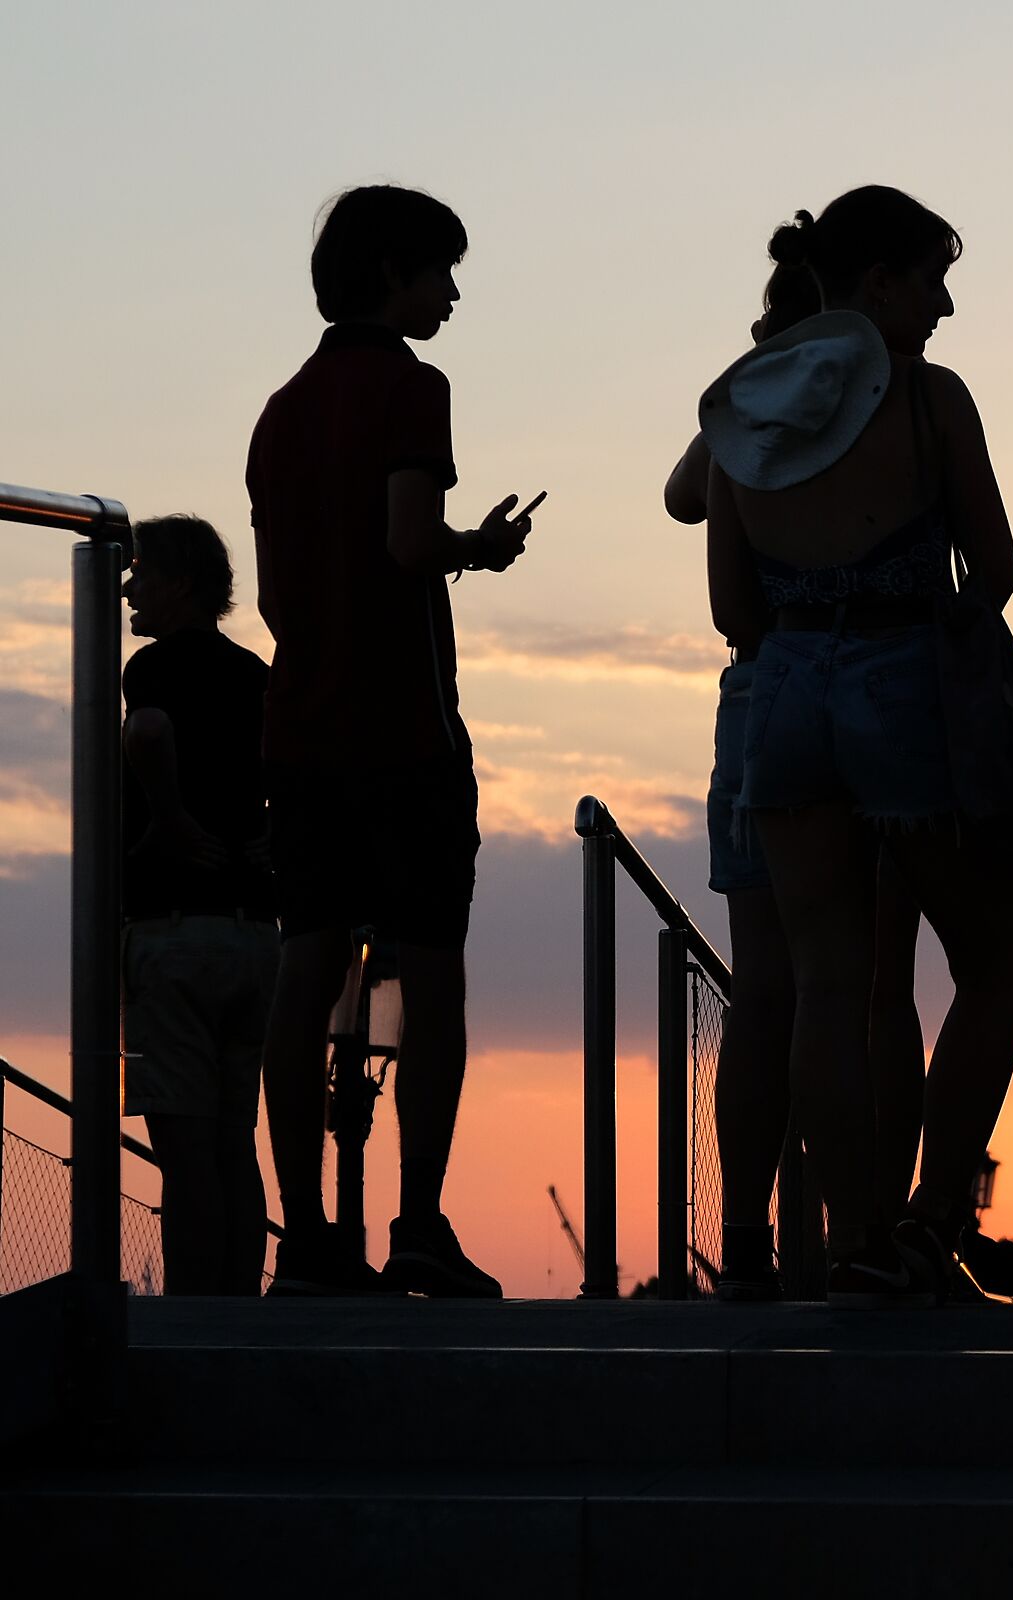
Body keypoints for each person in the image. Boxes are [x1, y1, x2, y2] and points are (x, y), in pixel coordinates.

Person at [703, 185, 1013, 1306]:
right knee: (998, 960)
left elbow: (732, 611)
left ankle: (853, 1244)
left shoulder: (745, 415)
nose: (944, 304)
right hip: (903, 681)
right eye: (932, 279)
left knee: (827, 981)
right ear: (881, 281)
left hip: (787, 690)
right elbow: (992, 574)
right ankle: (933, 1217)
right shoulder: (930, 400)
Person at [247, 184, 539, 1297]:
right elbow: (409, 540)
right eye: (440, 273)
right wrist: (479, 548)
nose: (453, 293)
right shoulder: (415, 389)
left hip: (301, 725)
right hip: (404, 730)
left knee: (306, 963)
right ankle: (418, 1216)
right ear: (391, 274)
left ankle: (309, 1230)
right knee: (431, 975)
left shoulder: (281, 409)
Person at [663, 217, 935, 1300]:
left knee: (771, 992)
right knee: (872, 988)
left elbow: (690, 493)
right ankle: (870, 1232)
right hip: (878, 690)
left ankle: (747, 1240)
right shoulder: (901, 392)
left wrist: (755, 372)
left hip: (765, 694)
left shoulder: (762, 401)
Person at [118, 515, 277, 1296]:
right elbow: (298, 762)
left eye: (141, 571)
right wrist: (276, 832)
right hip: (252, 937)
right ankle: (240, 1313)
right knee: (233, 1145)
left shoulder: (151, 669)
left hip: (173, 936)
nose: (127, 585)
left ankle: (190, 1321)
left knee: (183, 1157)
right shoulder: (255, 673)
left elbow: (147, 730)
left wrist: (169, 818)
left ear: (180, 584)